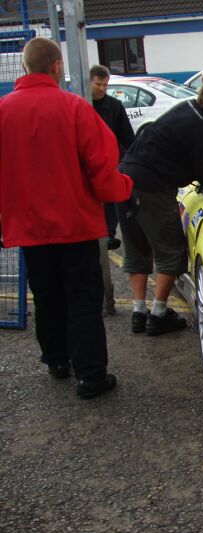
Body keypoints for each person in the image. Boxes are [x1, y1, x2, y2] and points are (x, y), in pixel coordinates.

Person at [0, 38, 133, 398]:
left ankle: (56, 359)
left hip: (29, 228)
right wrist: (124, 188)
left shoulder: (4, 111)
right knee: (82, 299)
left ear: (25, 68)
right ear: (58, 65)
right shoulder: (75, 109)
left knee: (46, 295)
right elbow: (102, 169)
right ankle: (90, 375)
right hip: (75, 226)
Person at [117, 76, 203, 337]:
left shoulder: (185, 108)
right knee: (171, 250)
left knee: (137, 247)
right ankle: (158, 316)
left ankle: (139, 313)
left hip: (124, 179)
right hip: (152, 188)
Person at [90, 64, 135, 251]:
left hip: (110, 161)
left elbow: (127, 137)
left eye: (105, 85)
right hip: (88, 161)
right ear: (89, 82)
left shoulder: (114, 106)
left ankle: (109, 233)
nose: (101, 88)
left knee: (110, 197)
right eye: (98, 84)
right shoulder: (81, 103)